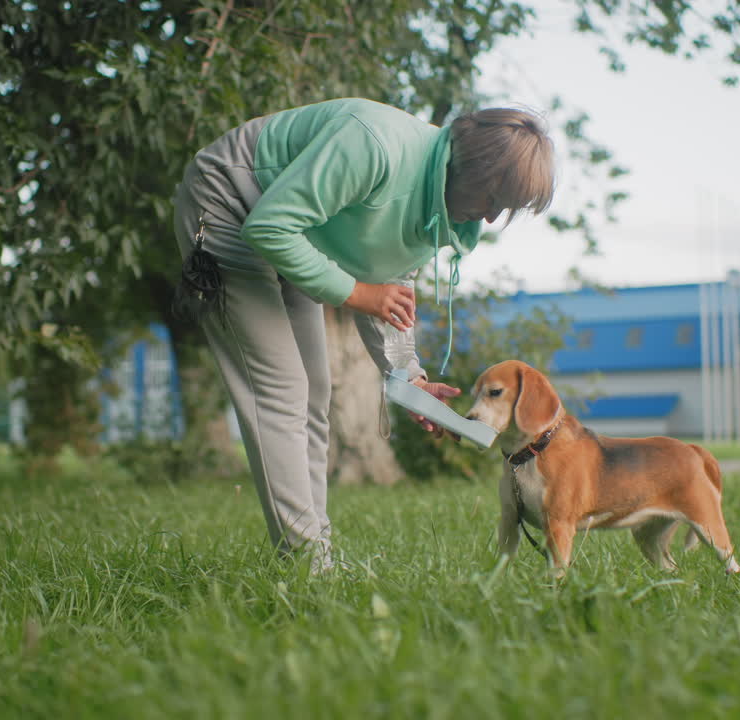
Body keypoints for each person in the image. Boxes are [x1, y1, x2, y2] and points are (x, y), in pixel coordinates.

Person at [171, 97, 554, 572]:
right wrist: (357, 293)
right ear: (470, 165)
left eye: (506, 209)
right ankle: (309, 563)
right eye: (494, 199)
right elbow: (271, 226)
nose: (492, 218)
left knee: (314, 390)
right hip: (230, 203)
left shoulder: (443, 208)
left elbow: (390, 285)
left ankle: (315, 554)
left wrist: (408, 376)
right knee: (281, 390)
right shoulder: (373, 144)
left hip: (296, 233)